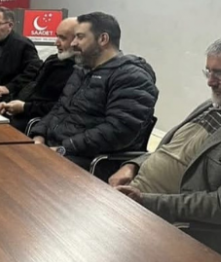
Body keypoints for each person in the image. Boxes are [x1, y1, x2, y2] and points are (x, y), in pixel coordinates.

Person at [110, 33, 221, 262]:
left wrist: (146, 201)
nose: (210, 82)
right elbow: (170, 150)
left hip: (173, 226)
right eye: (209, 72)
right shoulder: (213, 104)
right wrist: (132, 165)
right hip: (132, 202)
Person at [28, 12, 159, 168]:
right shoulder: (82, 70)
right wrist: (40, 134)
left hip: (86, 160)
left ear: (103, 39)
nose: (73, 43)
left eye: (80, 37)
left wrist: (64, 148)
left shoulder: (131, 77)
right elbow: (59, 108)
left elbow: (118, 130)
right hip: (56, 150)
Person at [0, 17, 78, 131]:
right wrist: (11, 103)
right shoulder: (53, 60)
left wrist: (24, 107)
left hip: (36, 122)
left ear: (78, 40)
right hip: (23, 112)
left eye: (63, 38)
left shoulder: (78, 71)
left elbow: (59, 107)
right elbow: (33, 88)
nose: (56, 43)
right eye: (57, 36)